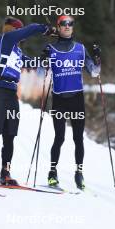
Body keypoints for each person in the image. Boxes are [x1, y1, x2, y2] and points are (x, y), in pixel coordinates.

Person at [0, 16, 54, 186]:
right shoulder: (5, 40)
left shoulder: (18, 52)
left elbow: (33, 63)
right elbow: (31, 29)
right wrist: (45, 28)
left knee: (10, 136)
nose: (18, 33)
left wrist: (45, 56)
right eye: (15, 29)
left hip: (11, 94)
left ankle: (5, 172)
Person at [43, 15, 101, 190]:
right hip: (59, 99)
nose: (67, 26)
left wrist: (98, 58)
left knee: (78, 139)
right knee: (59, 137)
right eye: (63, 23)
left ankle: (79, 173)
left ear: (73, 28)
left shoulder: (81, 49)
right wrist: (43, 58)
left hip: (77, 99)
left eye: (70, 24)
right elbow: (41, 71)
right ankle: (52, 172)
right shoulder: (51, 48)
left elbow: (94, 73)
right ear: (58, 27)